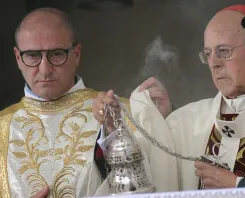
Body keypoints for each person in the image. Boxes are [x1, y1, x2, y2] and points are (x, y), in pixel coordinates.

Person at [93, 4, 245, 191]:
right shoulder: (187, 120)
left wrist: (239, 187)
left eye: (223, 51)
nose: (214, 63)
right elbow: (144, 179)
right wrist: (115, 130)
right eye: (208, 54)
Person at [0, 7, 140, 198]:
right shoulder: (3, 126)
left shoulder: (125, 113)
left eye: (56, 54)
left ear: (77, 54)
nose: (45, 69)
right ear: (18, 58)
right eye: (32, 55)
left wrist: (115, 132)